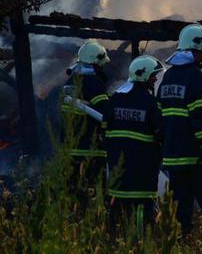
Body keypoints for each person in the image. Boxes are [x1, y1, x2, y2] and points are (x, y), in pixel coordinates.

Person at [157, 24, 202, 240]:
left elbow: (160, 114)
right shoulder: (195, 76)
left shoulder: (168, 77)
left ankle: (180, 244)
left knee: (181, 206)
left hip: (175, 157)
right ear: (196, 47)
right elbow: (199, 114)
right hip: (197, 155)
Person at [102, 55, 164, 231]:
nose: (155, 79)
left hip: (117, 165)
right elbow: (160, 133)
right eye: (153, 75)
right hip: (143, 168)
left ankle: (113, 237)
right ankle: (140, 240)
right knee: (142, 207)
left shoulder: (115, 100)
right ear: (144, 76)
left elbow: (104, 127)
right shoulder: (151, 103)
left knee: (116, 204)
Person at [60, 40, 110, 193]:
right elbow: (104, 115)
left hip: (69, 148)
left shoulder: (69, 82)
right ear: (97, 62)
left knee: (72, 192)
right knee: (94, 193)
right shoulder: (94, 82)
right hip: (90, 150)